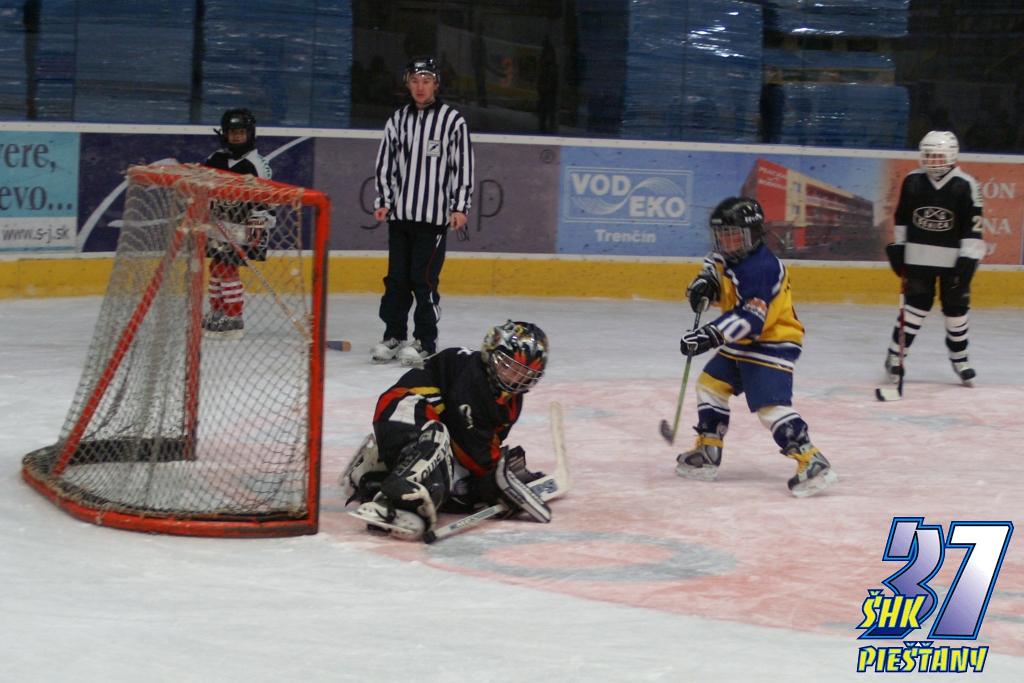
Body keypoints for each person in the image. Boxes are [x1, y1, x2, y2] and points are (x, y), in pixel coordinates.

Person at [676, 197, 838, 498]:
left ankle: (811, 459)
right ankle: (709, 450)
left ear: (752, 235)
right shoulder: (728, 254)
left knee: (770, 407)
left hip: (772, 341)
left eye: (734, 235)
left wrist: (710, 335)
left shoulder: (761, 268)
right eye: (722, 235)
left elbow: (750, 318)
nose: (726, 242)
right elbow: (713, 266)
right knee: (710, 385)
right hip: (743, 342)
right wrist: (704, 285)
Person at [342, 321, 551, 541]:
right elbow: (472, 448)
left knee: (454, 487)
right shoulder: (474, 379)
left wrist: (495, 480)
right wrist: (499, 478)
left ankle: (373, 476)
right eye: (508, 366)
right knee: (436, 437)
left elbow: (485, 444)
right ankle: (391, 496)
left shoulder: (510, 402)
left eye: (523, 374)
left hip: (435, 427)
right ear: (490, 352)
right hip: (404, 406)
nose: (514, 379)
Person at [371, 57, 475, 366]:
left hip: (432, 220)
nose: (420, 87)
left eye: (426, 81)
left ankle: (426, 340)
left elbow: (463, 167)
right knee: (396, 280)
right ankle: (394, 334)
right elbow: (386, 164)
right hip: (400, 217)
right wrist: (384, 200)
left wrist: (460, 207)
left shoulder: (452, 121)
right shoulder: (397, 120)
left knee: (423, 280)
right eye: (415, 81)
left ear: (436, 85)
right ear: (408, 83)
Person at [883, 130, 985, 384]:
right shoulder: (912, 181)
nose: (932, 160)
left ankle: (960, 359)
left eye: (938, 155)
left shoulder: (966, 185)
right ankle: (896, 356)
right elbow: (902, 217)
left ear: (952, 156)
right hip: (918, 258)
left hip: (953, 262)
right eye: (928, 155)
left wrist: (968, 259)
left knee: (956, 312)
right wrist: (899, 246)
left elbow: (973, 227)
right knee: (914, 308)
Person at [201, 108, 275, 339]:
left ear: (250, 134)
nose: (236, 137)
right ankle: (217, 311)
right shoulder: (215, 159)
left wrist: (258, 225)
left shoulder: (257, 164)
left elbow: (267, 199)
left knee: (226, 268)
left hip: (243, 227)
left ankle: (234, 316)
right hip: (218, 225)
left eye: (241, 132)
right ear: (224, 133)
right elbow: (202, 186)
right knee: (216, 267)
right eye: (232, 132)